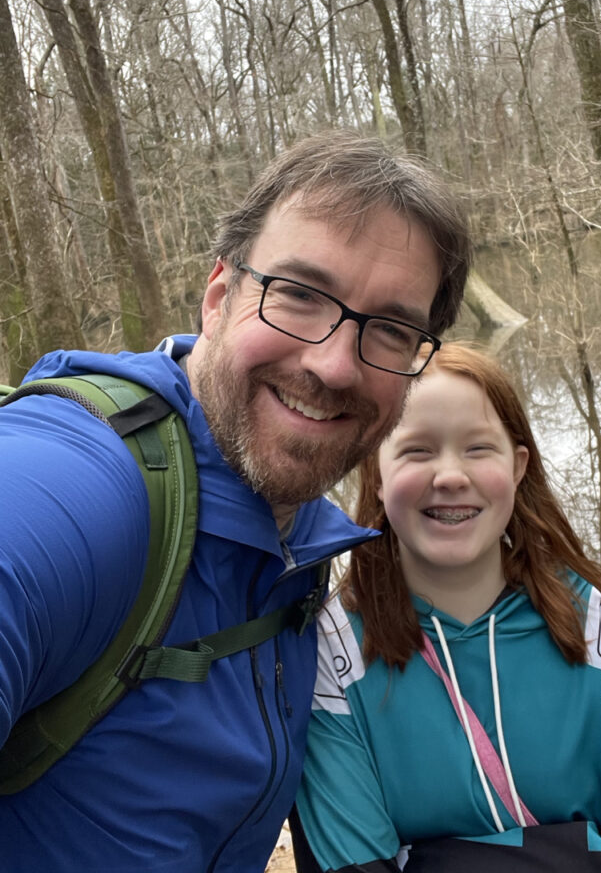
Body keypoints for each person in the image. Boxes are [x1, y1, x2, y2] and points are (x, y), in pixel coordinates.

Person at [0, 132, 471, 872]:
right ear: (219, 296)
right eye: (300, 295)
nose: (335, 363)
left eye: (390, 328)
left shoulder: (301, 539)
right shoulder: (80, 487)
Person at [293, 342, 601, 873]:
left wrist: (428, 861)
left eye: (477, 448)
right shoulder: (334, 653)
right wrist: (581, 853)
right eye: (417, 449)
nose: (449, 476)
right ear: (375, 466)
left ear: (517, 467)